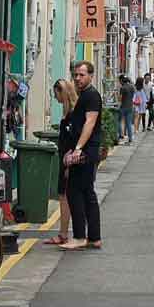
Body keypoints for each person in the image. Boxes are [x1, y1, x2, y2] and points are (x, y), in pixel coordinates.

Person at [50, 60, 105, 250]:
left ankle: (80, 236)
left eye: (82, 75)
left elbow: (90, 123)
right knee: (87, 193)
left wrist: (78, 148)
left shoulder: (91, 96)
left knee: (75, 192)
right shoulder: (85, 96)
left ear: (91, 75)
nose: (78, 78)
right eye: (76, 75)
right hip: (86, 150)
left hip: (86, 151)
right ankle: (94, 237)